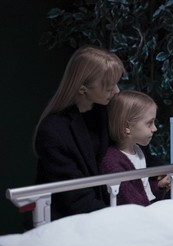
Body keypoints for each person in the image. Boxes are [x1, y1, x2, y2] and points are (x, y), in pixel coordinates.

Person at [33, 45, 126, 221]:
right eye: (108, 86)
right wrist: (116, 216)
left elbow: (127, 146)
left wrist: (156, 173)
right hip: (66, 218)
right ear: (83, 88)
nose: (117, 91)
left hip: (102, 209)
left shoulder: (105, 112)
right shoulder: (53, 131)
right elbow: (73, 196)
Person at [101, 90, 171, 206]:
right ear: (127, 127)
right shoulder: (112, 162)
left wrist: (158, 186)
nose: (154, 128)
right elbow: (131, 202)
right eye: (149, 123)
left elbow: (143, 192)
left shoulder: (139, 151)